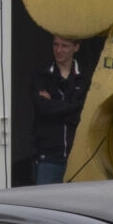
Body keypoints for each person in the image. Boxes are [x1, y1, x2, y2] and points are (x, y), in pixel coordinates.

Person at [30, 35, 88, 184]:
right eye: (55, 45)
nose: (58, 50)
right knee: (44, 199)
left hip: (78, 157)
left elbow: (85, 113)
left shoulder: (86, 77)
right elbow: (43, 109)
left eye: (64, 46)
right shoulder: (41, 74)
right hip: (48, 157)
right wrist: (73, 106)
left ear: (76, 47)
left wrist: (53, 104)